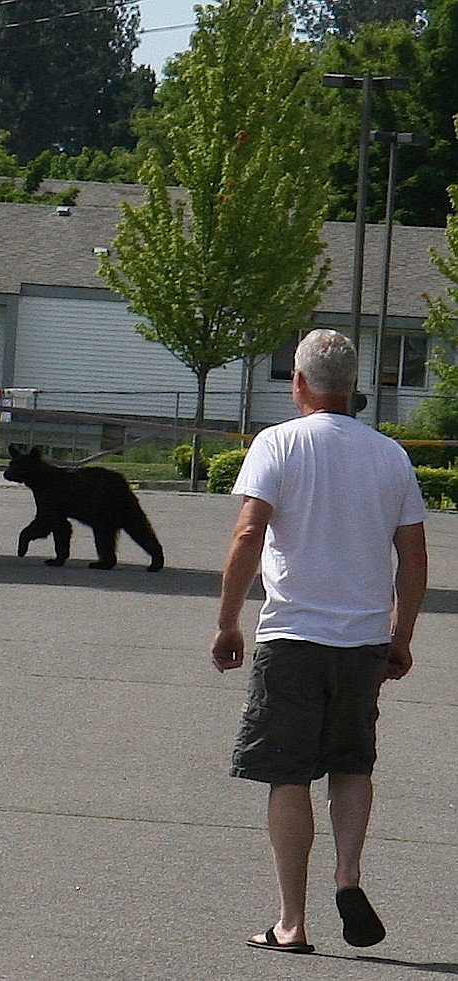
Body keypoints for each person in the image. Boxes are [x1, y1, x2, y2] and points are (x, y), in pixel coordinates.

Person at [211, 328, 427, 955]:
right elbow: (412, 554)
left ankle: (292, 922)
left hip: (294, 637)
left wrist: (228, 619)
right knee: (352, 762)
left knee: (288, 773)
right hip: (362, 642)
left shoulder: (276, 444)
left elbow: (249, 535)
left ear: (298, 383)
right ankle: (348, 876)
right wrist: (400, 633)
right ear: (353, 387)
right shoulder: (389, 455)